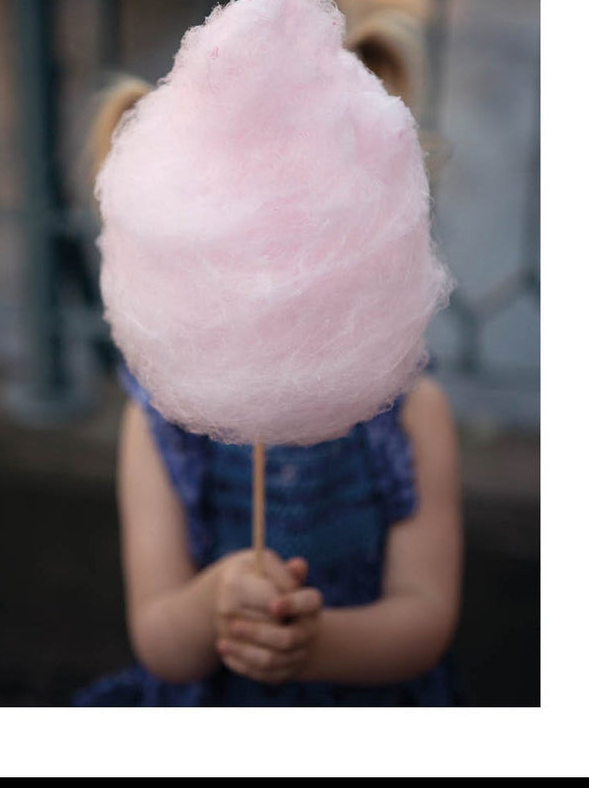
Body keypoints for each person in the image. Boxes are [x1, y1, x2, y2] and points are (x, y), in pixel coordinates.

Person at [73, 77, 463, 707]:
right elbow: (159, 641)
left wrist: (317, 644)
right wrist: (215, 602)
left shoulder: (415, 413)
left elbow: (426, 618)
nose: (273, 283)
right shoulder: (157, 425)